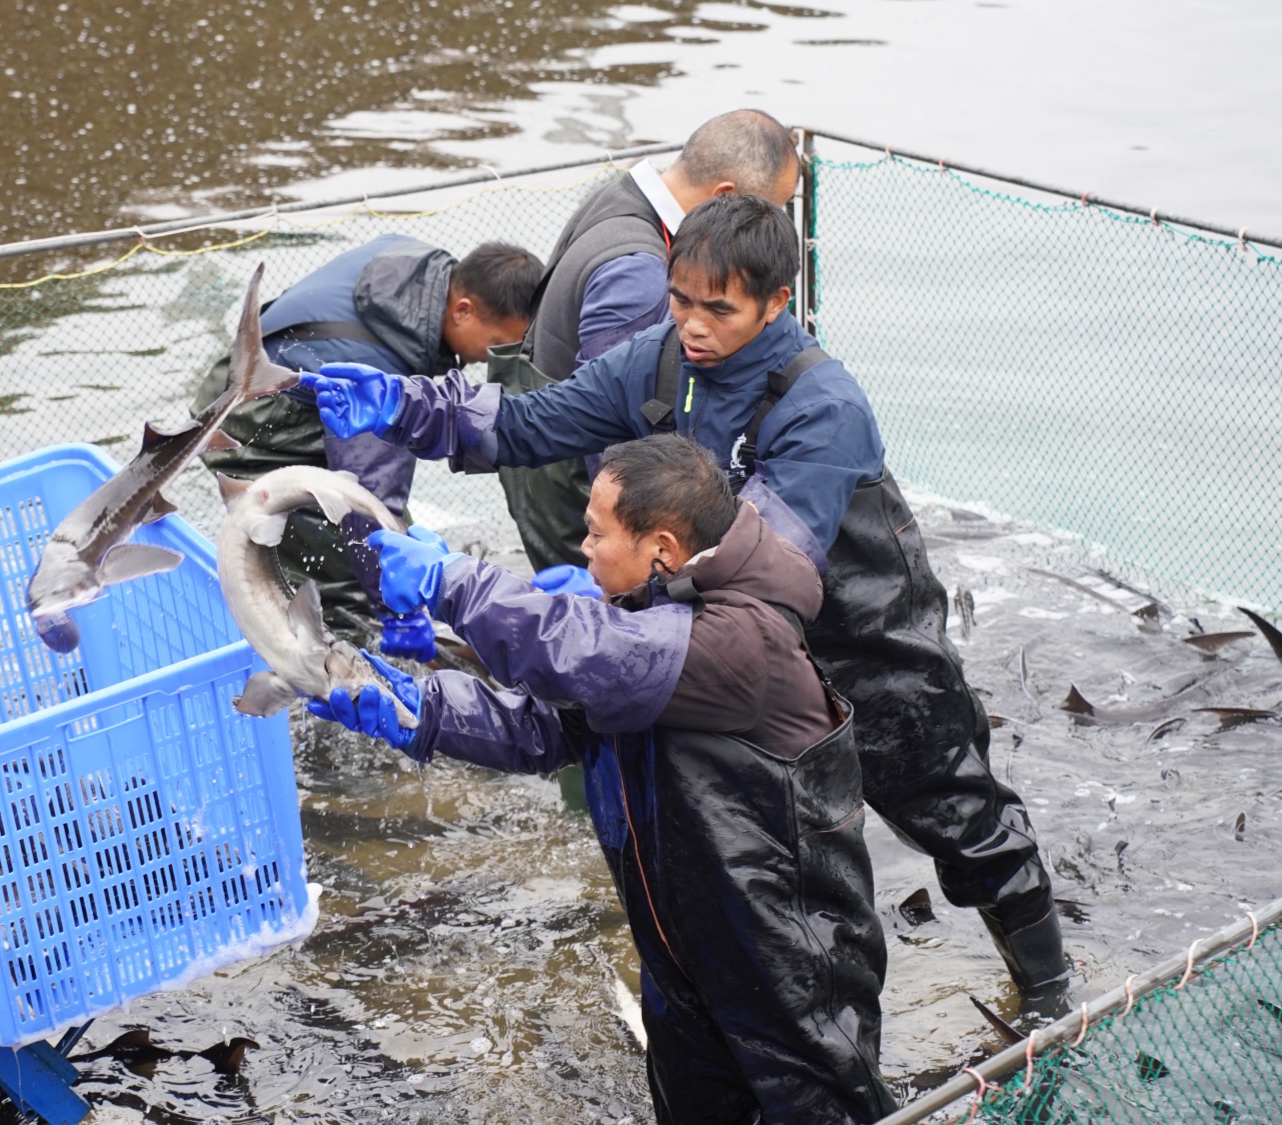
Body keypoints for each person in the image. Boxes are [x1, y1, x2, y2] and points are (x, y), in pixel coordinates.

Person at [304, 194, 1068, 992]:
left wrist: (592, 603)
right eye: (680, 300)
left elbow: (769, 564)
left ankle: (1049, 988)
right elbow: (534, 422)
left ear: (777, 303)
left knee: (961, 816)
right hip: (734, 661)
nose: (694, 325)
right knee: (777, 857)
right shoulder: (662, 358)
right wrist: (411, 407)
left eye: (719, 308)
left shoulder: (822, 405)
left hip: (866, 645)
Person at [312, 433, 895, 1123]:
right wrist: (421, 711)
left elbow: (588, 651)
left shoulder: (739, 640)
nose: (582, 549)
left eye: (596, 534)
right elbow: (545, 726)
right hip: (680, 952)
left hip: (790, 961)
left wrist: (454, 582)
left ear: (663, 552)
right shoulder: (653, 613)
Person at [495, 108, 800, 580]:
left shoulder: (618, 195)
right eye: (770, 209)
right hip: (585, 496)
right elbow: (615, 430)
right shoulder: (639, 270)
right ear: (726, 200)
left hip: (545, 460)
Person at [196, 234, 541, 640]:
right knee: (348, 581)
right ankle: (335, 666)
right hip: (251, 420)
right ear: (463, 310)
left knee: (395, 539)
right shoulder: (381, 361)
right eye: (499, 343)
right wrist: (395, 612)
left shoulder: (421, 271)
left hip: (255, 379)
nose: (492, 357)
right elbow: (366, 497)